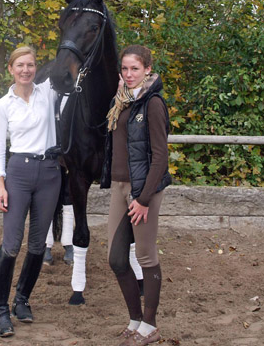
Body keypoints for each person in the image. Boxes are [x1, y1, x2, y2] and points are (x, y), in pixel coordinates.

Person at [101, 44, 172, 346]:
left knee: (144, 256)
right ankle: (134, 318)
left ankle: (150, 325)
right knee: (116, 259)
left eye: (135, 69)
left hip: (144, 190)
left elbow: (160, 156)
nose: (129, 74)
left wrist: (142, 199)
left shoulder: (153, 104)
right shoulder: (123, 102)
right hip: (119, 188)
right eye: (125, 69)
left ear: (147, 70)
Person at [0, 46, 61, 337]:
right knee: (11, 244)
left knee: (37, 245)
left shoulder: (49, 92)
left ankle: (21, 300)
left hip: (49, 173)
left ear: (36, 68)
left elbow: (74, 67)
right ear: (11, 69)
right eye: (20, 65)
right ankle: (0, 311)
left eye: (30, 65)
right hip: (18, 172)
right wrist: (1, 186)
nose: (26, 70)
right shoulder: (2, 105)